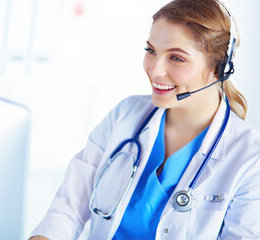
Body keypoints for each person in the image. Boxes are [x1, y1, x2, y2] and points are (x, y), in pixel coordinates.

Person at [30, 0, 260, 239]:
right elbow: (68, 208)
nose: (154, 70)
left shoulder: (251, 159)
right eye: (151, 51)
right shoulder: (126, 114)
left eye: (176, 58)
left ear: (219, 68)